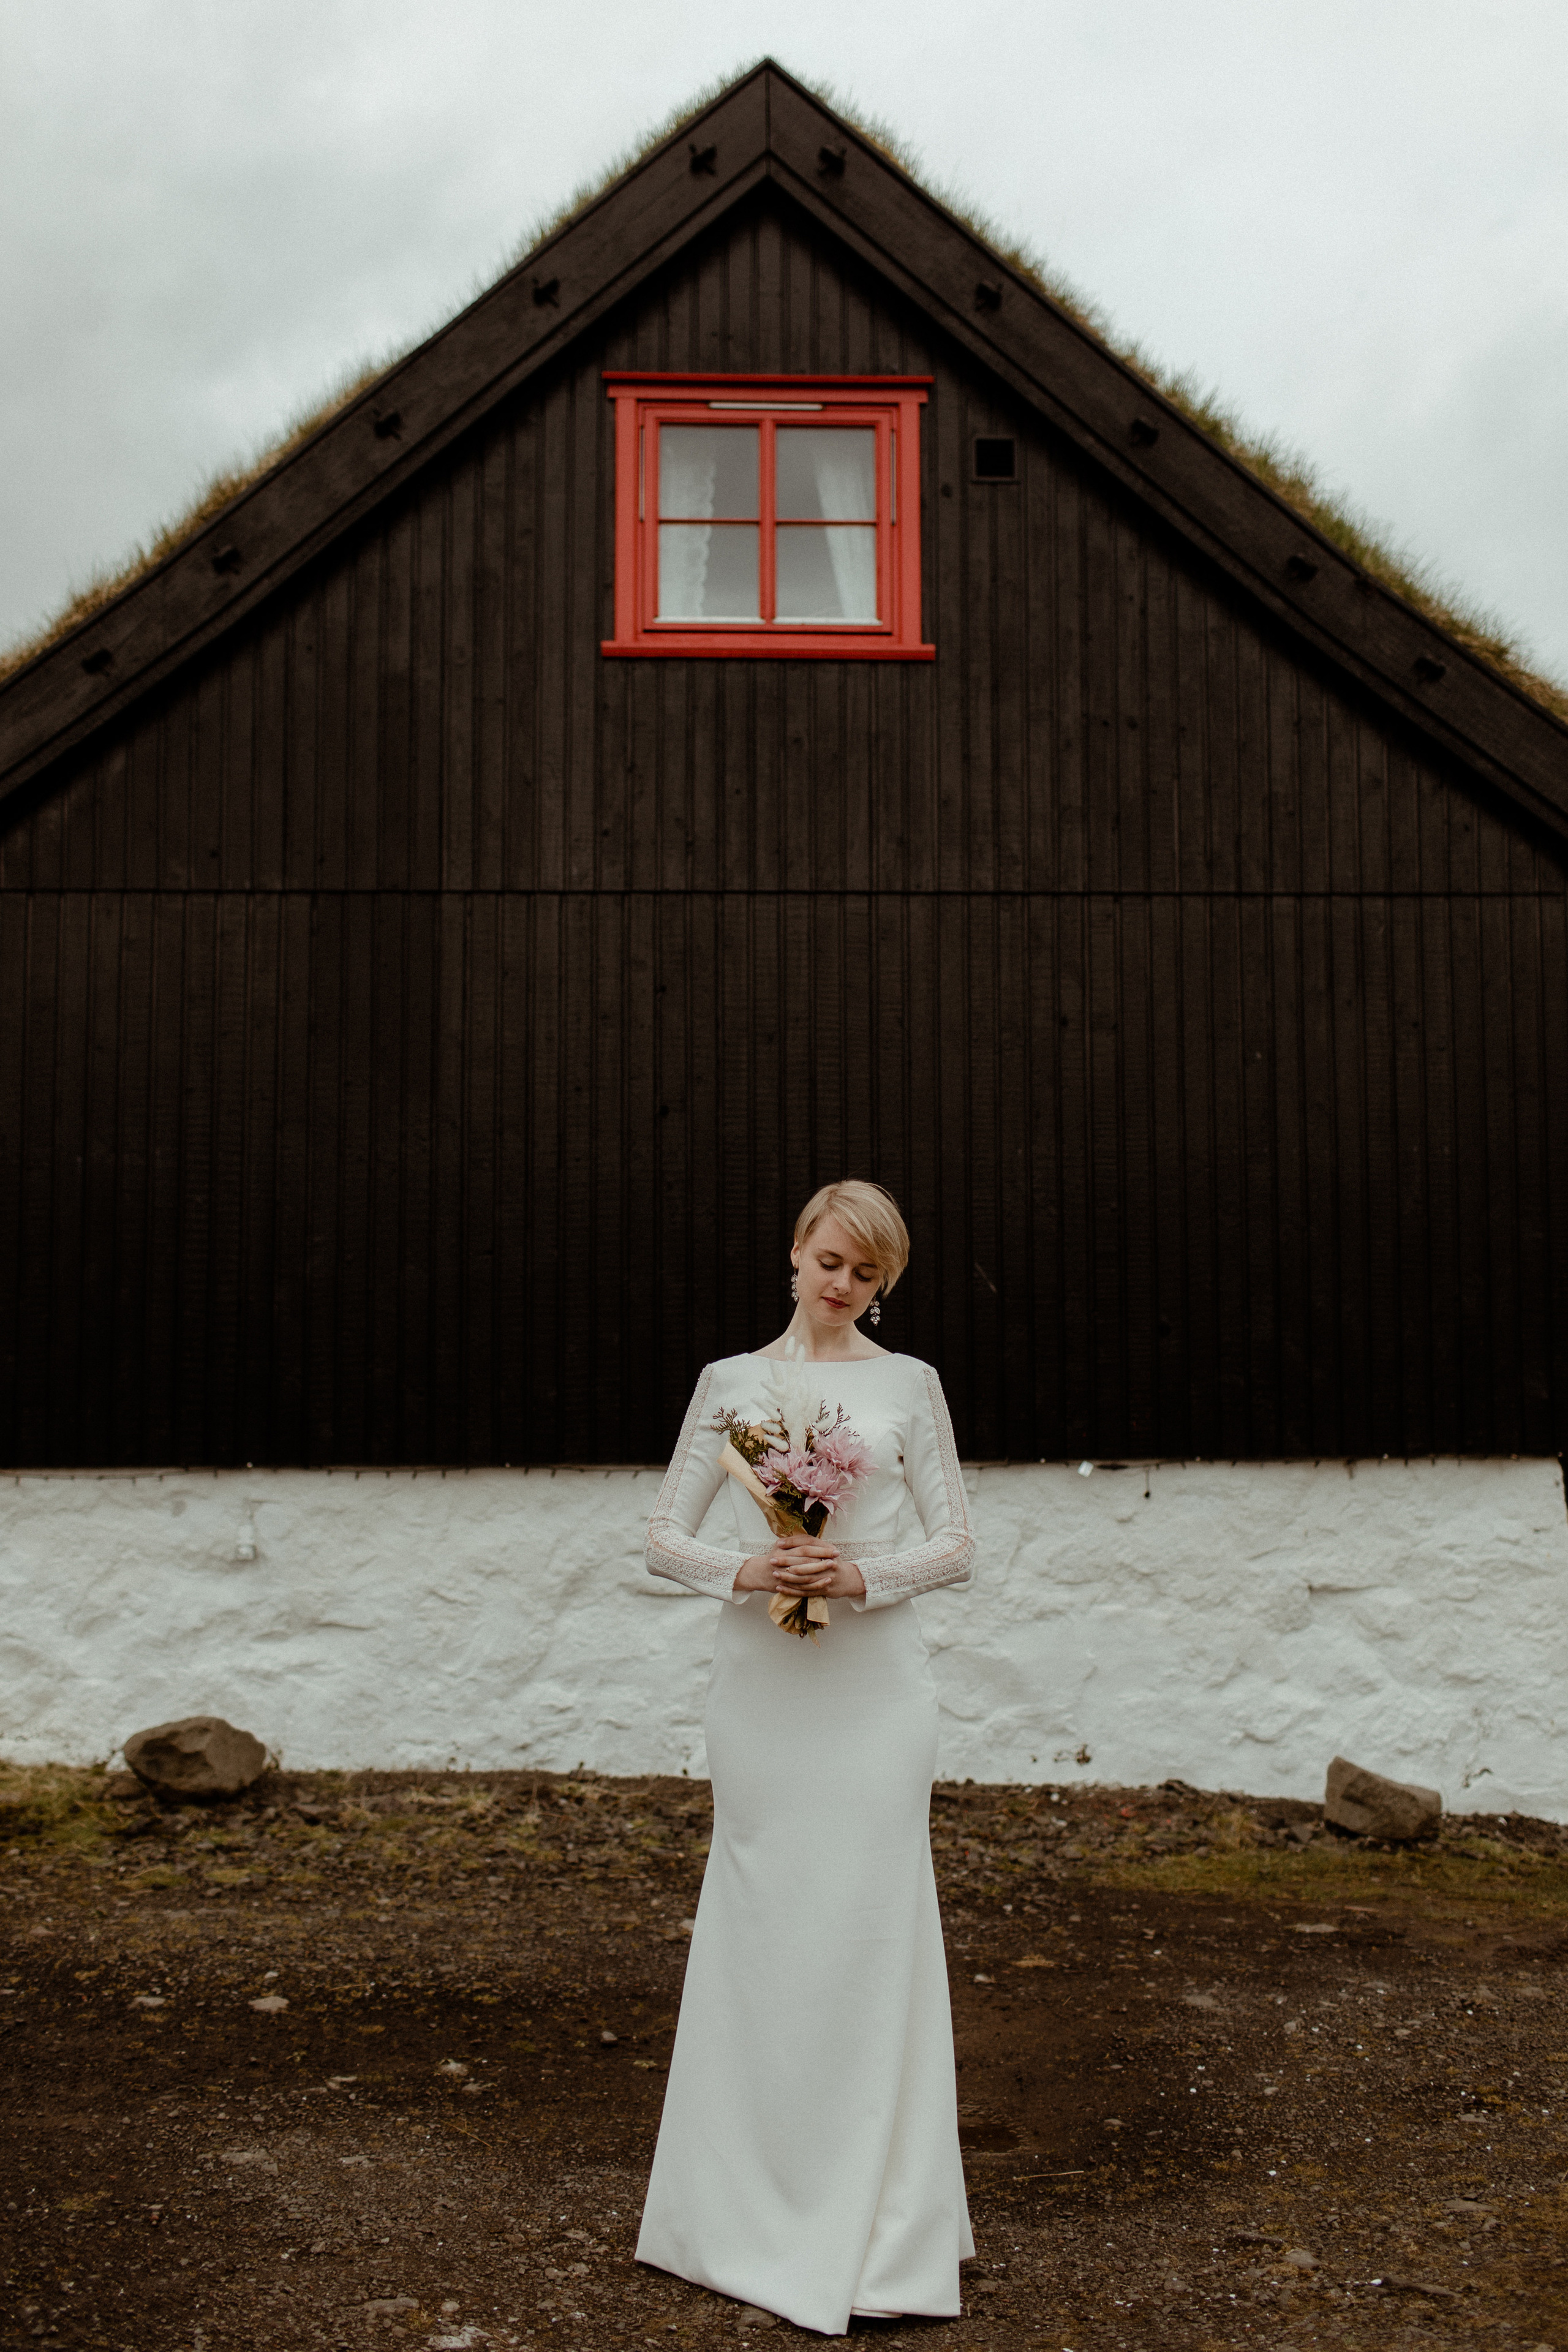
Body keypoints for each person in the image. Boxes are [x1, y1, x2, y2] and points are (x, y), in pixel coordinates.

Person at [635, 1180, 976, 2335]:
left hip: (876, 1694)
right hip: (764, 1689)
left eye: (865, 1273)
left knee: (873, 1920)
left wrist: (861, 1573)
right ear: (792, 1254)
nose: (841, 1285)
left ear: (884, 1286)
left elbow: (956, 1541)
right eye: (828, 1261)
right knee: (767, 1916)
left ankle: (884, 2225)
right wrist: (752, 1568)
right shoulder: (730, 1387)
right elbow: (664, 1537)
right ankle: (734, 2214)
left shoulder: (909, 1387)